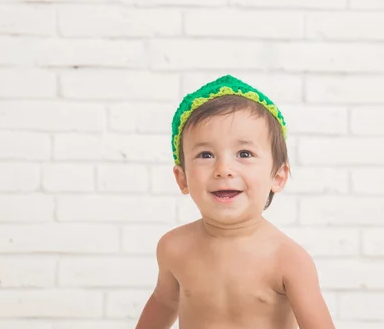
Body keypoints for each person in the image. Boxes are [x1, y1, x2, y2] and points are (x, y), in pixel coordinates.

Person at [135, 74, 335, 329]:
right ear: (182, 178)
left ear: (278, 176)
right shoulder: (174, 248)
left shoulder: (288, 260)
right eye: (206, 154)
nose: (224, 169)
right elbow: (163, 302)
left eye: (244, 153)